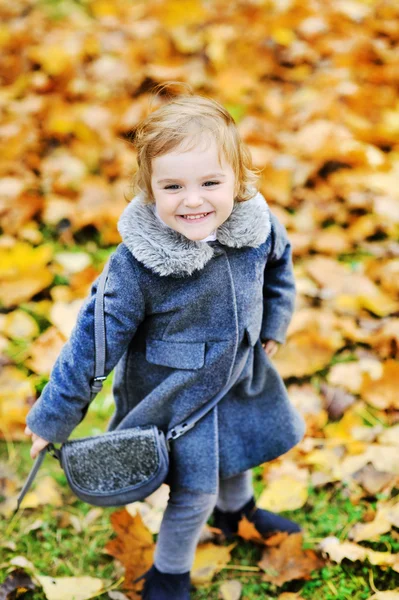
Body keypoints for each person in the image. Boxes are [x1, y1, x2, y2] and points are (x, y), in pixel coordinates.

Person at [24, 82, 306, 599]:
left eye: (211, 183)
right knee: (193, 490)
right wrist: (53, 417)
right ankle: (170, 572)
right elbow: (93, 343)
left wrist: (272, 326)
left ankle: (236, 511)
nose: (193, 200)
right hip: (176, 395)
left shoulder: (255, 229)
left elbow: (279, 269)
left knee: (238, 448)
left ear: (239, 180)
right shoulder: (135, 268)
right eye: (172, 187)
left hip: (239, 372)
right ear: (148, 188)